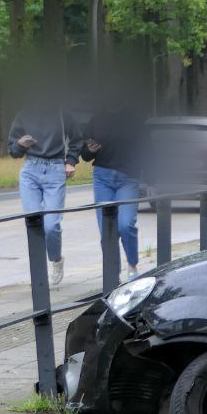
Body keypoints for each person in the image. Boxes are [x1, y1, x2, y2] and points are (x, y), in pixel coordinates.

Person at [8, 100, 82, 286]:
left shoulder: (61, 111)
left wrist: (71, 161)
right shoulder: (23, 114)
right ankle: (38, 273)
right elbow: (13, 150)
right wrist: (20, 144)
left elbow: (77, 139)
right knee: (33, 222)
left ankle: (56, 260)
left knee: (51, 226)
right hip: (30, 168)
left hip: (55, 169)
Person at [82, 95, 144, 281]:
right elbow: (84, 154)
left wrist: (151, 181)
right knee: (107, 230)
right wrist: (90, 150)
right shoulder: (97, 120)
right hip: (103, 177)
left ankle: (132, 266)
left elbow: (148, 149)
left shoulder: (135, 120)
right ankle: (112, 273)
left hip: (128, 178)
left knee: (125, 225)